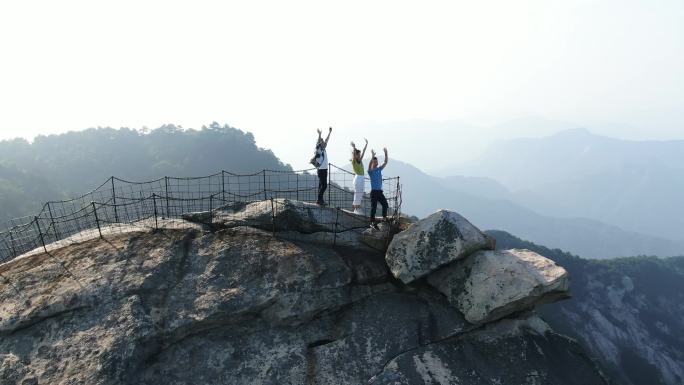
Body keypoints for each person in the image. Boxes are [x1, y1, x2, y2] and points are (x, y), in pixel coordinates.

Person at [367, 147, 389, 229]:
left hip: (379, 192)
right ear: (372, 162)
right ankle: (372, 222)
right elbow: (369, 166)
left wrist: (386, 153)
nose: (376, 163)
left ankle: (384, 218)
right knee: (374, 208)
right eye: (374, 162)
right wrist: (372, 157)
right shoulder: (370, 172)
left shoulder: (379, 169)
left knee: (385, 205)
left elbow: (385, 162)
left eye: (376, 162)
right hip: (374, 192)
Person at [312, 127, 332, 205]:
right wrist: (320, 135)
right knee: (324, 186)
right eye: (322, 142)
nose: (324, 143)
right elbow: (318, 142)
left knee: (321, 185)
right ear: (320, 143)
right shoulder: (318, 149)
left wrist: (329, 133)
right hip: (321, 170)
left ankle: (320, 200)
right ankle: (319, 200)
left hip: (324, 169)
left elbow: (327, 140)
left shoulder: (323, 149)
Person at [350, 138, 368, 215]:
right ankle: (355, 208)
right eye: (358, 154)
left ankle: (357, 207)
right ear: (356, 155)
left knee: (360, 192)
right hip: (358, 178)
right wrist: (354, 147)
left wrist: (366, 144)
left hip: (361, 177)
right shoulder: (354, 161)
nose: (360, 155)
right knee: (357, 193)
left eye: (360, 154)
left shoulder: (360, 161)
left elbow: (363, 152)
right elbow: (354, 155)